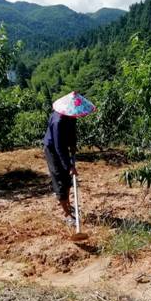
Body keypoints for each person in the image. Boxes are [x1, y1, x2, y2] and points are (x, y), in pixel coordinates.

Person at [43, 91, 96, 226]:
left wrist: (73, 145)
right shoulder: (58, 121)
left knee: (67, 179)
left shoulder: (71, 115)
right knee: (60, 179)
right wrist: (69, 166)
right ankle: (66, 214)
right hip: (53, 149)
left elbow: (72, 132)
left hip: (62, 147)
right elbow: (59, 147)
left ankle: (68, 203)